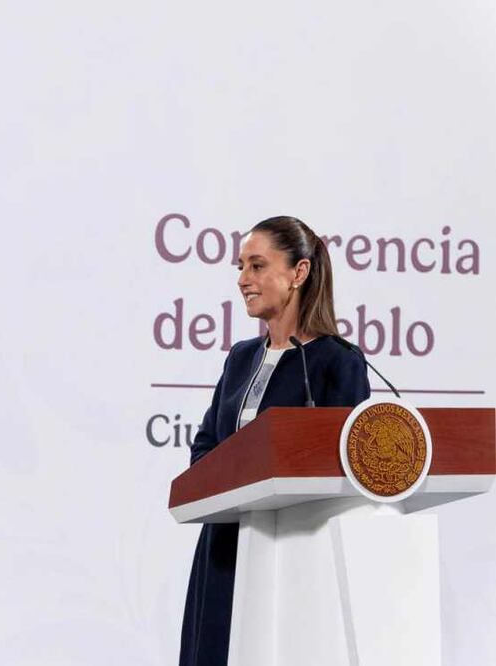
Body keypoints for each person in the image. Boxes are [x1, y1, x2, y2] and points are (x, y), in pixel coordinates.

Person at [178, 216, 370, 666]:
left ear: (299, 273)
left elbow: (345, 470)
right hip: (223, 549)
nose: (244, 280)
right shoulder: (241, 358)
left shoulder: (337, 362)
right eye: (241, 267)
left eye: (257, 266)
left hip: (294, 555)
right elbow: (205, 447)